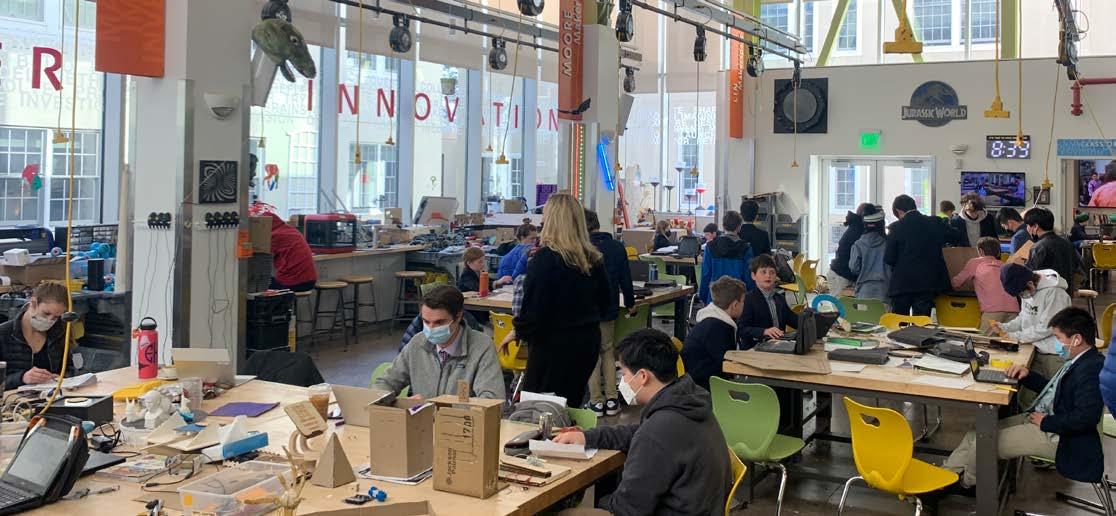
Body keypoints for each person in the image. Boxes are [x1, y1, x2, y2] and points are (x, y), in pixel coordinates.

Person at [553, 329, 731, 516]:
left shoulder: (658, 430)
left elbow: (626, 509)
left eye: (624, 373)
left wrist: (603, 501)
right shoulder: (687, 402)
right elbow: (639, 433)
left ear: (643, 376)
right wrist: (586, 437)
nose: (623, 381)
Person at [942, 307, 1103, 490]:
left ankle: (966, 485)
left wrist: (1047, 422)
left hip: (1059, 436)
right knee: (978, 431)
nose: (1056, 343)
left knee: (983, 443)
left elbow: (1086, 418)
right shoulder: (1079, 360)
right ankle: (945, 478)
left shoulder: (1091, 370)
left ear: (1077, 339)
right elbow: (1057, 392)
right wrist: (1027, 375)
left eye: (1058, 338)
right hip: (1046, 421)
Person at [514, 193, 610, 405]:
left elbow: (533, 312)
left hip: (552, 348)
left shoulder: (545, 259)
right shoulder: (593, 260)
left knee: (539, 410)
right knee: (572, 405)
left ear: (552, 220)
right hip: (586, 344)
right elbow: (605, 303)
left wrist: (518, 331)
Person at [376, 285, 504, 399]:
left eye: (439, 322)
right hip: (421, 417)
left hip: (461, 419)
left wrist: (433, 407)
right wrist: (388, 401)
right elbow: (386, 382)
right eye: (426, 321)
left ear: (458, 317)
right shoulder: (417, 342)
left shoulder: (482, 347)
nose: (431, 328)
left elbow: (493, 400)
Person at [990, 264, 1072, 408]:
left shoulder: (1055, 293)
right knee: (1026, 398)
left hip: (1055, 354)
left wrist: (1015, 336)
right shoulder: (1027, 288)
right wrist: (1005, 327)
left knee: (1056, 397)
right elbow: (1023, 317)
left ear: (1030, 283)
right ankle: (1028, 420)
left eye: (1022, 293)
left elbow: (1046, 328)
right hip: (1035, 350)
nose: (1023, 296)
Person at [585, 208, 636, 416]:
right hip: (608, 306)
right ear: (598, 224)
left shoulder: (581, 248)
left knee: (591, 353)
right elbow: (626, 279)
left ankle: (596, 401)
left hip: (586, 310)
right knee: (607, 350)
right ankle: (612, 400)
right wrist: (630, 303)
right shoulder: (616, 247)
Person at [884, 195, 950, 316]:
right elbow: (955, 236)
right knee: (921, 323)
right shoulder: (935, 222)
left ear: (899, 211)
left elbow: (889, 258)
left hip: (902, 284)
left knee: (899, 322)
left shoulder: (895, 227)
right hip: (927, 283)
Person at [0, 283, 72, 389]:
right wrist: (22, 378)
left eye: (56, 317)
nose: (50, 320)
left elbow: (69, 369)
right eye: (46, 313)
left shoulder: (58, 333)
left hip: (50, 395)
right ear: (33, 303)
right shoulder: (3, 334)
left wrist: (62, 378)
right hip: (12, 397)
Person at [682, 277, 744, 390]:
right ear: (735, 305)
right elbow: (727, 364)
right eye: (743, 301)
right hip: (703, 388)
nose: (744, 305)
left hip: (694, 381)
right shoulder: (719, 328)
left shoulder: (712, 320)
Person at [952, 237, 1019, 331]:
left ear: (980, 251)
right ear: (998, 252)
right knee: (1009, 339)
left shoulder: (975, 262)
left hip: (993, 311)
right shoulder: (1003, 265)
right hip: (1014, 310)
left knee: (985, 339)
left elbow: (956, 283)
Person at [738, 255, 797, 350]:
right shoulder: (748, 299)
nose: (768, 276)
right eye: (763, 272)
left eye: (772, 272)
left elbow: (792, 319)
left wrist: (810, 319)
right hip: (755, 349)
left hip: (779, 346)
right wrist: (764, 331)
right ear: (753, 276)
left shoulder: (780, 298)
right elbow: (742, 329)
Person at [699, 210, 754, 304]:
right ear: (739, 227)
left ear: (723, 226)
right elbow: (748, 276)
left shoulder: (710, 246)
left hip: (714, 297)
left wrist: (703, 295)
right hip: (737, 298)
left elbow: (705, 274)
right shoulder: (746, 248)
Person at [1024, 207, 1083, 294]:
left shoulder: (1038, 247)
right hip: (1067, 293)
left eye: (1028, 225)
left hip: (1046, 294)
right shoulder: (1067, 242)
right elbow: (1078, 268)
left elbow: (1030, 274)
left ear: (1035, 226)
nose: (1027, 228)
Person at [266, 212, 318, 292]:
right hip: (311, 280)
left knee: (260, 283)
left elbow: (261, 253)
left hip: (294, 283)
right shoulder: (291, 230)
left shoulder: (275, 235)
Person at [848, 208, 890, 303]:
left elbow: (854, 268)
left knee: (864, 313)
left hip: (864, 291)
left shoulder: (858, 244)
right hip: (884, 291)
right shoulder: (888, 244)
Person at [827, 205, 868, 297]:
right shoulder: (859, 231)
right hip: (841, 276)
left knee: (845, 305)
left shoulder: (856, 226)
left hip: (842, 274)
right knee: (840, 305)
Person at [495, 220, 538, 287]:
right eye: (532, 238)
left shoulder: (513, 251)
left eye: (536, 238)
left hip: (503, 286)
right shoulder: (528, 249)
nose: (535, 241)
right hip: (512, 285)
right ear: (522, 237)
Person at [457, 246, 491, 324]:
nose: (483, 264)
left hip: (480, 308)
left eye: (483, 261)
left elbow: (488, 285)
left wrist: (497, 282)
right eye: (480, 262)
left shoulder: (478, 272)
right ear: (469, 263)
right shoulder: (467, 276)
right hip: (472, 314)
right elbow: (479, 289)